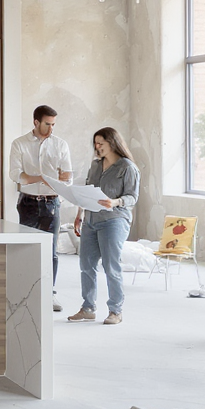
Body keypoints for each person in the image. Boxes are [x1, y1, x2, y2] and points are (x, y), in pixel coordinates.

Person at [68, 127, 140, 325]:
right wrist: (79, 214)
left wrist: (115, 202)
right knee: (86, 265)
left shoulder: (127, 167)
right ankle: (88, 308)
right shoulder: (95, 165)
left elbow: (132, 197)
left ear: (112, 143)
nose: (97, 147)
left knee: (111, 266)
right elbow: (86, 191)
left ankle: (116, 311)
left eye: (101, 143)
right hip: (91, 221)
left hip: (114, 220)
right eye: (95, 143)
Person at [9, 105, 73, 312]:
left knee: (51, 251)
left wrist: (57, 179)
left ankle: (49, 293)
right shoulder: (19, 144)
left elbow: (68, 177)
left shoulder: (61, 145)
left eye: (54, 124)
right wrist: (45, 178)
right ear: (36, 122)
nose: (51, 128)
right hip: (27, 203)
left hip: (51, 203)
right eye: (47, 124)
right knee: (25, 249)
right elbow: (17, 175)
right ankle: (24, 292)